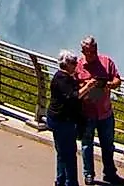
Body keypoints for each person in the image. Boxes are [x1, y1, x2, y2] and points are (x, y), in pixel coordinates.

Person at [72, 36, 124, 185]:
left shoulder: (106, 62)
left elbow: (117, 79)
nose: (92, 54)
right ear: (83, 51)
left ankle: (110, 173)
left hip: (105, 113)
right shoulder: (77, 65)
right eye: (88, 52)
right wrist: (87, 85)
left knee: (108, 145)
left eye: (94, 51)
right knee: (86, 144)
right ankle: (88, 174)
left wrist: (108, 84)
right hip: (86, 113)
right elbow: (72, 89)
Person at [46, 51, 86, 186]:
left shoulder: (64, 77)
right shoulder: (62, 79)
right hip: (62, 120)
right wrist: (88, 86)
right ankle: (71, 182)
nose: (76, 66)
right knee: (69, 154)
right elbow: (73, 96)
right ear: (66, 64)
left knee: (62, 152)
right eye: (74, 63)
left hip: (59, 119)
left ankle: (60, 180)